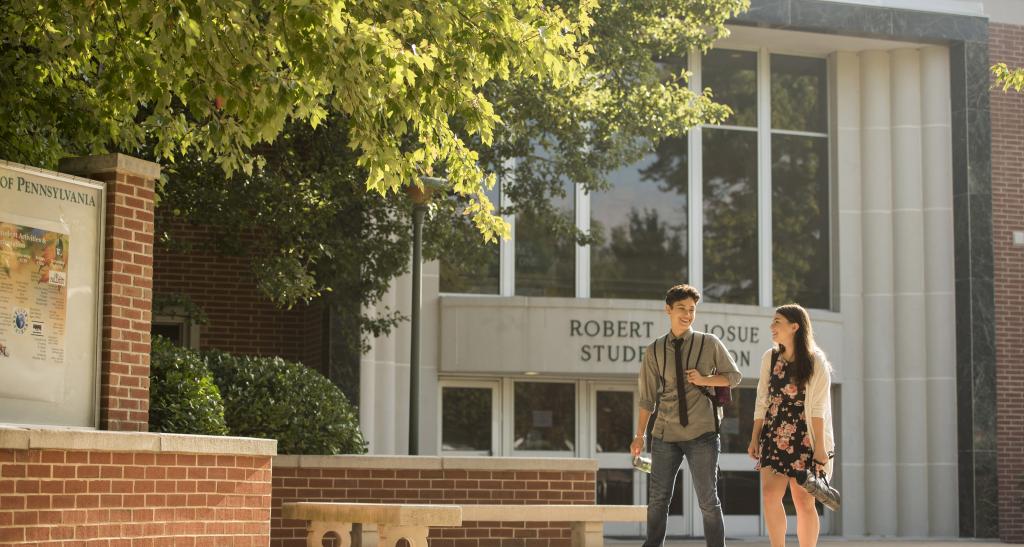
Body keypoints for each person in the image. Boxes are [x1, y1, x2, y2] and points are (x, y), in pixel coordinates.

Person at [631, 284, 742, 547]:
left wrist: (705, 379)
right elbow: (647, 397)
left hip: (702, 433)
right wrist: (639, 436)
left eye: (692, 310)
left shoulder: (709, 343)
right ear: (668, 310)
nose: (687, 315)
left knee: (708, 500)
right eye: (682, 309)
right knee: (658, 499)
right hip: (665, 435)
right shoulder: (654, 350)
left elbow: (734, 376)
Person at [747, 304, 835, 547]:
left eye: (777, 322)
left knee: (804, 501)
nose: (771, 326)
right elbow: (761, 400)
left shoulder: (816, 361)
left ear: (794, 326)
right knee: (769, 495)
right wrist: (755, 437)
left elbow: (818, 409)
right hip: (774, 434)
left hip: (805, 438)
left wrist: (820, 449)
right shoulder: (770, 357)